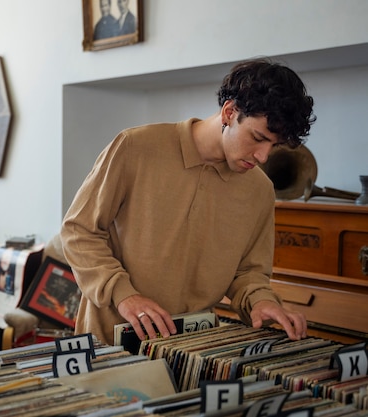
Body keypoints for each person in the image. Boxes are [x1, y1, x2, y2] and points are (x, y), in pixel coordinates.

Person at [59, 58, 316, 346]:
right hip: (110, 338)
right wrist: (123, 294)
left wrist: (261, 300)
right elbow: (79, 231)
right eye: (257, 138)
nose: (263, 156)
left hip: (193, 349)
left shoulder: (260, 190)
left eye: (274, 145)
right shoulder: (136, 147)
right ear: (229, 112)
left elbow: (249, 272)